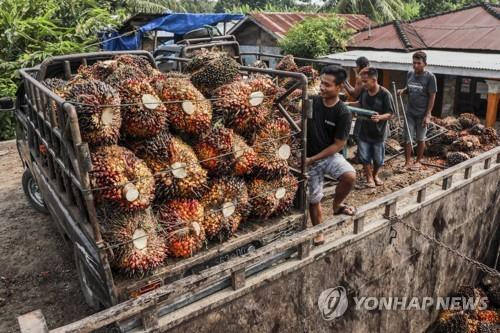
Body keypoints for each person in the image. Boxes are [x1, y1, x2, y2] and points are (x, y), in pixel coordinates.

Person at [306, 65, 357, 245]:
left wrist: (312, 159)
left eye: (327, 85)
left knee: (350, 176)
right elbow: (303, 121)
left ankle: (336, 206)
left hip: (327, 155)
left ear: (339, 87)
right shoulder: (313, 101)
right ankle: (318, 231)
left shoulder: (343, 112)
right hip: (309, 156)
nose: (322, 87)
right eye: (321, 83)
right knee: (314, 197)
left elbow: (338, 144)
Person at [349, 67, 394, 187]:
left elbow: (390, 113)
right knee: (364, 157)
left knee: (378, 159)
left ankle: (375, 175)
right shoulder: (364, 92)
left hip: (379, 133)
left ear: (374, 80)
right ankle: (369, 178)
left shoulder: (385, 94)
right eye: (362, 81)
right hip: (364, 131)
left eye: (365, 81)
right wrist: (347, 104)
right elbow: (360, 104)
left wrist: (380, 117)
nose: (363, 84)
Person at [397, 51, 437, 170]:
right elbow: (409, 88)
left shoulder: (430, 77)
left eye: (418, 63)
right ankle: (407, 162)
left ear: (425, 64)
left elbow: (432, 96)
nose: (415, 66)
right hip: (410, 112)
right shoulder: (410, 74)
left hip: (422, 113)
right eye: (413, 63)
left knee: (420, 138)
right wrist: (403, 91)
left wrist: (428, 114)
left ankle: (418, 161)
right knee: (407, 137)